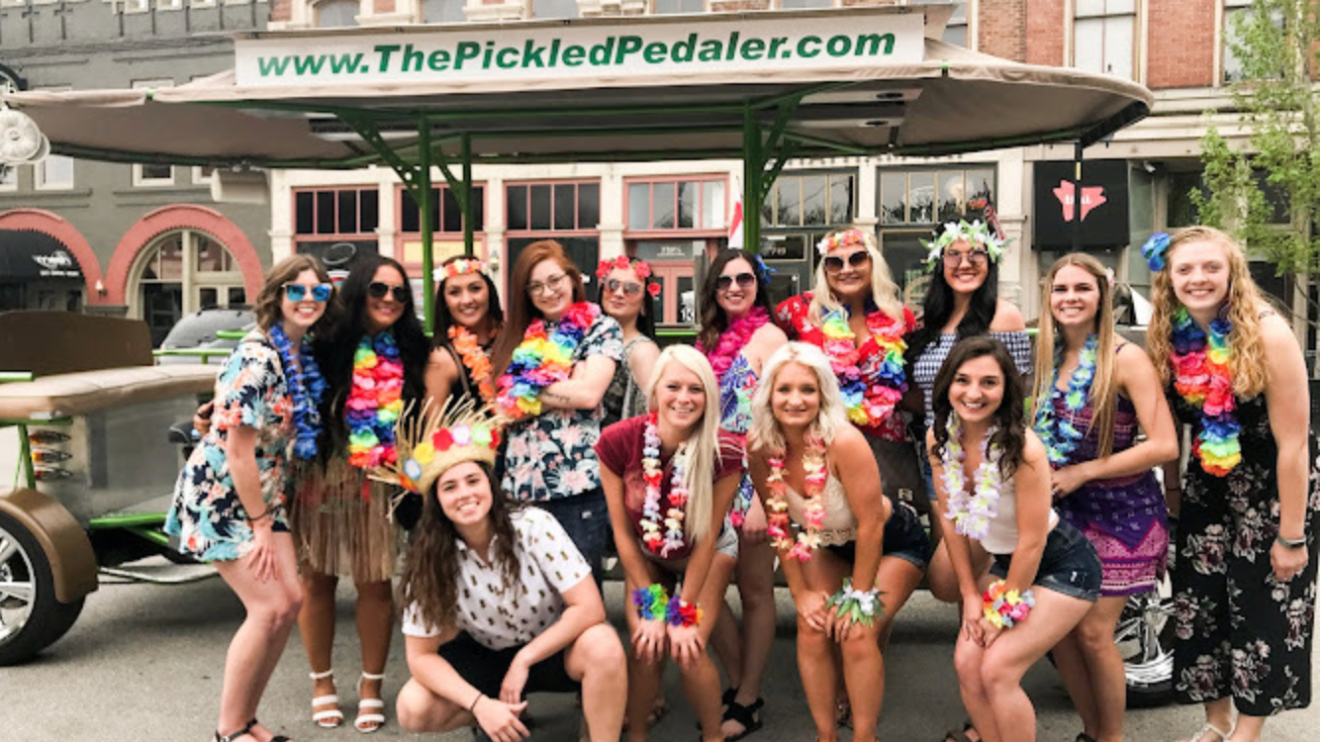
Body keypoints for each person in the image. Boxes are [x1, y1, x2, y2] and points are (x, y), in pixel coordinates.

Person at [1143, 227, 1319, 742]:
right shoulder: (1170, 334)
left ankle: (1247, 731)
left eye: (1211, 268)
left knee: (1263, 608)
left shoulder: (1269, 333)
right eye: (1185, 270)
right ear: (1169, 279)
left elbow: (1295, 444)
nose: (1198, 279)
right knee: (1199, 607)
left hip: (1272, 487)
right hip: (1209, 485)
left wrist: (1292, 534)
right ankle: (1216, 721)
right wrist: (1173, 491)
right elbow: (1170, 425)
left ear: (1232, 273)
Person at [375, 403, 628, 742]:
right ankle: (498, 717)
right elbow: (420, 657)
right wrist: (479, 704)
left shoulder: (534, 525)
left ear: (490, 486)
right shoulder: (427, 558)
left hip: (549, 648)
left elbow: (590, 607)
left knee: (604, 645)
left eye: (472, 481)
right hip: (483, 655)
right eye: (449, 487)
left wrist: (525, 659)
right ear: (436, 500)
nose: (465, 494)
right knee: (412, 705)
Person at [166, 254, 337, 742]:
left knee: (291, 602)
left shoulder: (295, 353)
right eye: (297, 290)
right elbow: (238, 451)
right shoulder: (259, 357)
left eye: (318, 292)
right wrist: (261, 524)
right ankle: (228, 730)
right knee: (268, 607)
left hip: (264, 493)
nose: (308, 299)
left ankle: (246, 719)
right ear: (276, 296)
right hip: (224, 497)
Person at [1030, 253, 1179, 742]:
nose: (1070, 298)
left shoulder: (1126, 358)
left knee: (1094, 631)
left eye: (1082, 289)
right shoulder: (1045, 358)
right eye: (1061, 289)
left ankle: (1110, 737)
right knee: (1065, 633)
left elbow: (1164, 445)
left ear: (1102, 296)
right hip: (1066, 514)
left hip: (1123, 515)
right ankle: (1091, 732)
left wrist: (1084, 471)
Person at [747, 342, 927, 742]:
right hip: (824, 542)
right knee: (812, 626)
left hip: (891, 541)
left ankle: (865, 736)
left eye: (807, 389)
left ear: (823, 393)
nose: (796, 400)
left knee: (856, 628)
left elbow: (870, 526)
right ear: (769, 395)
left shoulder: (843, 442)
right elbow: (778, 522)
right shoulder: (760, 446)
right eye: (785, 389)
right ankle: (825, 735)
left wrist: (860, 595)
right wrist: (799, 593)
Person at [927, 336, 1101, 742]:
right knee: (968, 662)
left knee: (998, 668)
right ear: (947, 384)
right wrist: (970, 596)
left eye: (989, 382)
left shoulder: (1023, 449)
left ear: (1006, 389)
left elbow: (1032, 544)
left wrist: (1001, 612)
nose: (973, 393)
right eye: (963, 380)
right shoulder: (941, 442)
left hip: (1063, 565)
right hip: (1006, 563)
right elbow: (951, 523)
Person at [293, 255, 430, 733]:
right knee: (317, 580)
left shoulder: (415, 349)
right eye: (378, 289)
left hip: (381, 477)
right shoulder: (323, 345)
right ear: (357, 293)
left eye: (398, 292)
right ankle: (322, 682)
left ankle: (371, 685)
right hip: (322, 473)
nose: (390, 299)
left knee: (375, 581)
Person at [775, 225, 927, 645]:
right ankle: (853, 645)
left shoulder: (902, 318)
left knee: (878, 538)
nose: (846, 268)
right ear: (823, 268)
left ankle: (871, 640)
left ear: (873, 263)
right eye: (835, 262)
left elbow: (915, 380)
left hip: (888, 448)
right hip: (828, 448)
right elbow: (766, 345)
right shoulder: (798, 313)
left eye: (857, 258)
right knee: (842, 541)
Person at [596, 346, 743, 742]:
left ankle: (713, 736)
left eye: (695, 389)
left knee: (687, 646)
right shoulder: (617, 442)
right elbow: (623, 534)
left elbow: (709, 539)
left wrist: (682, 612)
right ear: (655, 391)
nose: (683, 398)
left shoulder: (724, 450)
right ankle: (638, 735)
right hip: (647, 556)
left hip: (706, 557)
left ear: (708, 396)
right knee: (646, 644)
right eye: (673, 386)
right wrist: (651, 607)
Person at [907, 218, 1031, 603]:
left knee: (975, 564)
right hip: (939, 455)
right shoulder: (929, 322)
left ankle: (986, 644)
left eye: (976, 253)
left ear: (990, 261)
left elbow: (1018, 393)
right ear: (939, 262)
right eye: (954, 254)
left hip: (990, 456)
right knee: (955, 569)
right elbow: (921, 395)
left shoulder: (1004, 317)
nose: (965, 263)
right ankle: (971, 645)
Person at [491, 240, 623, 582]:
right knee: (529, 597)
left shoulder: (601, 327)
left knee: (580, 597)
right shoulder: (518, 335)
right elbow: (503, 409)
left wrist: (526, 390)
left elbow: (589, 394)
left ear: (572, 277)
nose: (547, 292)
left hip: (574, 489)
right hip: (520, 489)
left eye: (554, 280)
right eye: (535, 286)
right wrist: (566, 383)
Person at [695, 248, 785, 739]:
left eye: (744, 279)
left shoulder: (771, 337)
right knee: (708, 583)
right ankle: (735, 680)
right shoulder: (707, 339)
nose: (734, 287)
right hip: (709, 479)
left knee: (753, 590)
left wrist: (761, 499)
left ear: (758, 284)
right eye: (724, 280)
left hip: (753, 476)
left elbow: (778, 421)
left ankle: (749, 697)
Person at [425, 255, 504, 411]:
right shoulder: (442, 358)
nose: (466, 300)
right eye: (454, 292)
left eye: (475, 288)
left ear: (490, 292)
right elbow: (433, 429)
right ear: (444, 302)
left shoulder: (513, 339)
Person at [595, 255, 661, 429]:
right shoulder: (586, 337)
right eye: (612, 285)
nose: (618, 293)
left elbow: (650, 419)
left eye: (630, 289)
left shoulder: (643, 351)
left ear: (644, 304)